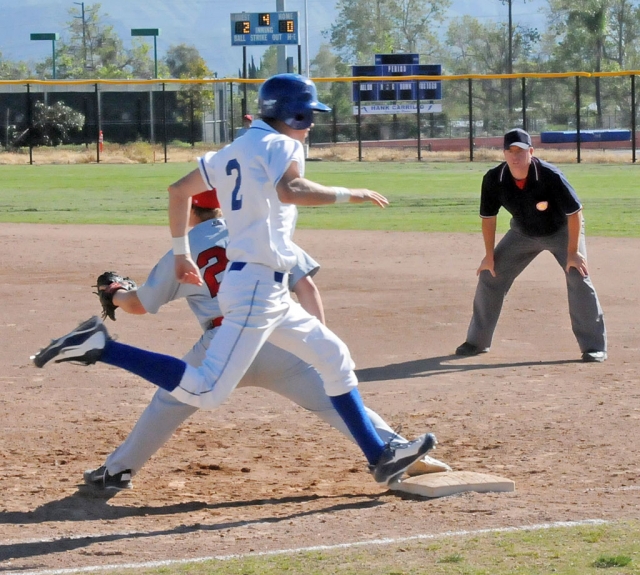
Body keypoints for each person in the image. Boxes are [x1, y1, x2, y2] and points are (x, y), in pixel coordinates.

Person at [33, 73, 436, 487]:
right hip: (258, 287)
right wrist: (349, 193)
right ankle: (101, 347)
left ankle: (380, 456)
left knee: (333, 357)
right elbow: (291, 189)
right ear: (290, 113)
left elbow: (177, 191)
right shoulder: (282, 144)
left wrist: (180, 252)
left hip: (267, 289)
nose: (310, 124)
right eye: (307, 115)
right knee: (207, 391)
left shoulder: (234, 148)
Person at [78, 189, 450, 491]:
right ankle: (404, 454)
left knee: (169, 402)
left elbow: (139, 305)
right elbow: (305, 285)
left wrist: (114, 292)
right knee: (332, 401)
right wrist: (312, 346)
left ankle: (117, 471)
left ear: (189, 210)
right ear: (221, 206)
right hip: (281, 337)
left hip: (223, 346)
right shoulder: (257, 231)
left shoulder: (184, 248)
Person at [455, 128, 607, 362]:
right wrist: (488, 256)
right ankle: (477, 341)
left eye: (521, 151)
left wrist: (574, 252)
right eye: (510, 151)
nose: (516, 156)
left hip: (562, 231)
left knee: (578, 275)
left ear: (531, 152)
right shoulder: (494, 179)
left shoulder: (549, 175)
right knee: (490, 275)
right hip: (522, 234)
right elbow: (488, 219)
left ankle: (594, 347)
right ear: (504, 153)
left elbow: (575, 213)